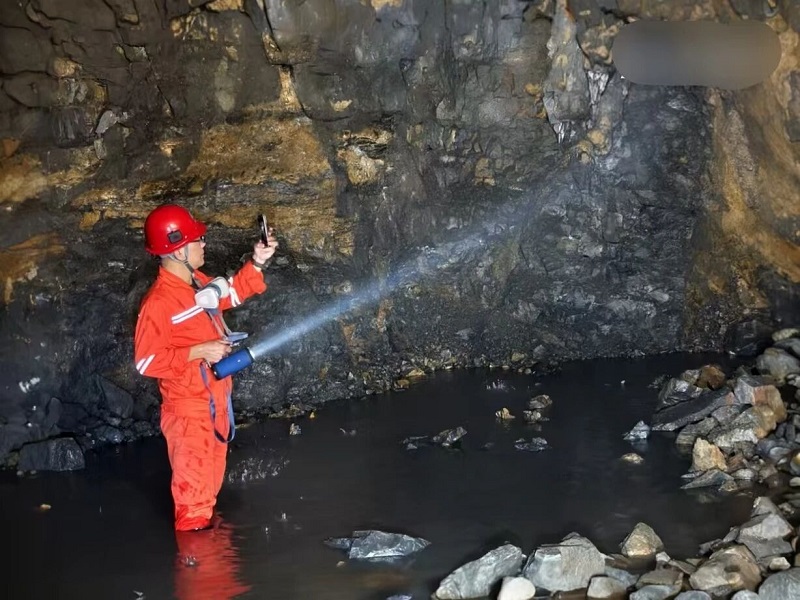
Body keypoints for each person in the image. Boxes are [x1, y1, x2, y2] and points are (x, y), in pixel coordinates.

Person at [134, 204, 277, 531]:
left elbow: (232, 294)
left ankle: (213, 572)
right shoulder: (158, 303)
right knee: (194, 508)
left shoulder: (197, 283)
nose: (204, 244)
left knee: (207, 497)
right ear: (177, 249)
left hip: (214, 404)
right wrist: (200, 350)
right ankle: (200, 570)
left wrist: (258, 261)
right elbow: (146, 361)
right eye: (197, 239)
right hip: (188, 414)